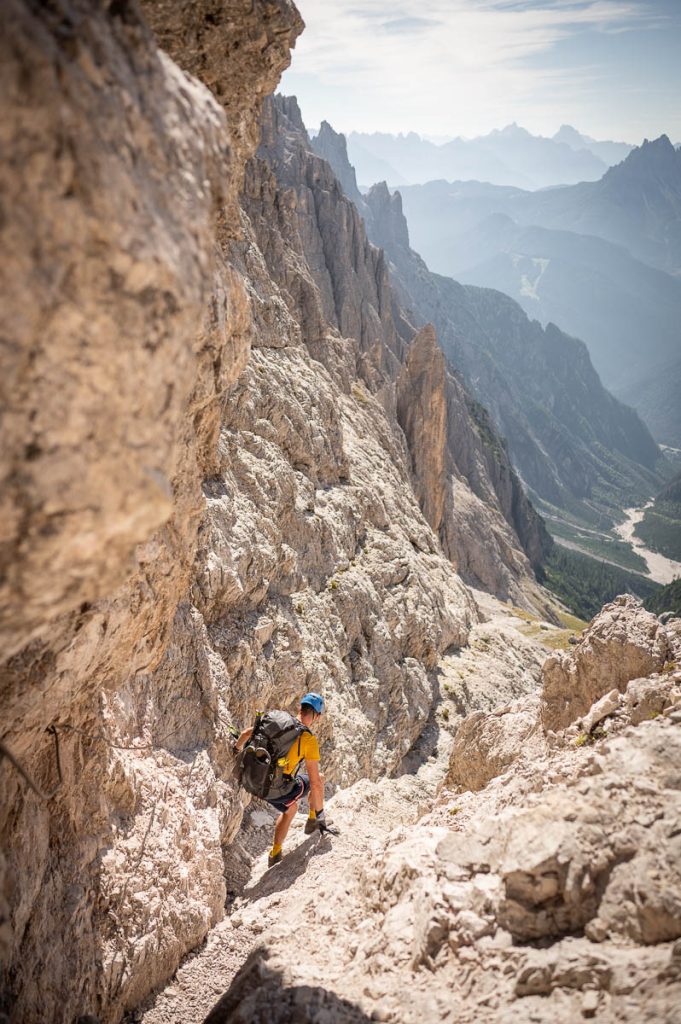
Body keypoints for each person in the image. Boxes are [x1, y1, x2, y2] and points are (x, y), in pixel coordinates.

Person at [234, 692, 330, 867]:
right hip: (276, 789)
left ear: (300, 708)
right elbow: (315, 783)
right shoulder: (307, 739)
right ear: (316, 716)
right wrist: (321, 817)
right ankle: (313, 820)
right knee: (320, 778)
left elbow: (247, 733)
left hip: (255, 781)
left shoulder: (278, 722)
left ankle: (275, 853)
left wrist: (236, 748)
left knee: (291, 809)